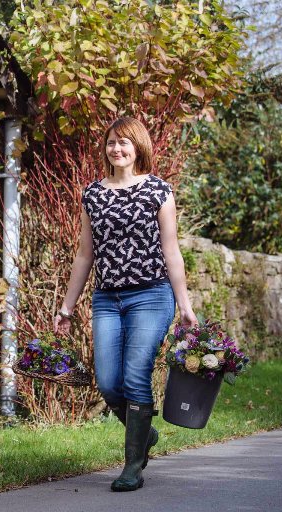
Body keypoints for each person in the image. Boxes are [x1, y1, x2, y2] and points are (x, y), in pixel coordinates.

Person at [53, 117, 198, 492]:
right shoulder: (92, 195)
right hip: (107, 298)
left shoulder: (159, 191)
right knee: (107, 381)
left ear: (139, 148)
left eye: (125, 143)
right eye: (112, 143)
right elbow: (85, 255)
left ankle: (132, 464)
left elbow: (171, 251)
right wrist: (67, 309)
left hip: (151, 295)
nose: (117, 149)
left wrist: (185, 305)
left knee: (135, 375)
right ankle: (144, 433)